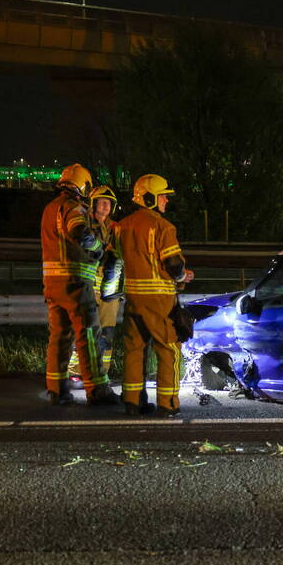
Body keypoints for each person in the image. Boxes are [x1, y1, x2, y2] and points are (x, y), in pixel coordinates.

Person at [111, 174, 193, 417]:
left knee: (134, 349)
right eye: (163, 196)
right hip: (159, 300)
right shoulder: (163, 226)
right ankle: (168, 404)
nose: (166, 200)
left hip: (133, 298)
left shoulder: (121, 226)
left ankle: (133, 402)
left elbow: (114, 260)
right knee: (168, 349)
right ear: (149, 198)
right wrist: (183, 277)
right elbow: (174, 265)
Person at [41, 163, 118, 406]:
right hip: (75, 281)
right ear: (82, 185)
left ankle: (56, 389)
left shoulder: (49, 209)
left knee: (59, 337)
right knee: (89, 336)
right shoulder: (73, 207)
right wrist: (99, 252)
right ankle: (97, 390)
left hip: (52, 284)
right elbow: (81, 233)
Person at [68, 185, 122, 382]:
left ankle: (102, 371)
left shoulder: (116, 229)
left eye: (109, 203)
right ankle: (76, 371)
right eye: (102, 202)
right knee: (85, 330)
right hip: (89, 287)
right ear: (93, 204)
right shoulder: (85, 228)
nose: (106, 206)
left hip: (110, 290)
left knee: (107, 332)